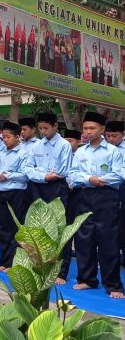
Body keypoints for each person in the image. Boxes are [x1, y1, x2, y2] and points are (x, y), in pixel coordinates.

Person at [68, 112, 124, 298]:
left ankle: (113, 284)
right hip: (84, 196)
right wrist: (89, 179)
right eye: (85, 128)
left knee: (108, 239)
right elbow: (73, 174)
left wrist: (101, 180)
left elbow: (119, 174)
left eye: (92, 128)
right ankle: (87, 279)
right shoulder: (80, 151)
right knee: (84, 238)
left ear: (102, 129)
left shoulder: (113, 152)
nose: (88, 132)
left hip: (107, 197)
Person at [24, 112, 73, 284]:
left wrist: (43, 175)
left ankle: (60, 272)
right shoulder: (36, 146)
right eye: (40, 128)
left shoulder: (64, 145)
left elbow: (62, 171)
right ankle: (39, 265)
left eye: (46, 128)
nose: (43, 131)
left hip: (57, 188)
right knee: (38, 226)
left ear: (55, 126)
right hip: (38, 186)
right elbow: (28, 168)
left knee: (59, 228)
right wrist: (44, 176)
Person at [0, 121, 29, 272]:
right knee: (2, 228)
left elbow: (25, 175)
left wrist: (6, 176)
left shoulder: (24, 153)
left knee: (14, 228)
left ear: (17, 137)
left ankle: (14, 263)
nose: (5, 140)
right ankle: (4, 261)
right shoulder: (0, 152)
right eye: (3, 137)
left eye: (8, 137)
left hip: (16, 193)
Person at [104, 120, 125, 270]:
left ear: (123, 135)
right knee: (109, 226)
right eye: (108, 136)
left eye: (114, 136)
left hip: (122, 188)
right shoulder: (104, 149)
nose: (111, 139)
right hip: (107, 189)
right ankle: (110, 259)